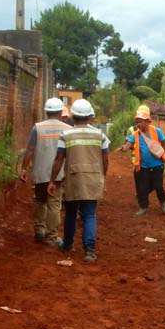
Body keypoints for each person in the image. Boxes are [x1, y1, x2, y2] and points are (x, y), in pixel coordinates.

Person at [49, 99, 110, 263]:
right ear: (90, 117)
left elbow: (59, 158)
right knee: (90, 214)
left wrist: (52, 180)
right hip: (93, 178)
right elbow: (105, 160)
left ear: (73, 116)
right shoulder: (100, 135)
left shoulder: (66, 135)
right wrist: (102, 177)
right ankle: (89, 251)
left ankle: (68, 244)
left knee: (70, 213)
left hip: (73, 178)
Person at [19, 97, 71, 246]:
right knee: (54, 203)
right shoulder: (67, 129)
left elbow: (30, 149)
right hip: (58, 174)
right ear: (61, 111)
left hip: (40, 172)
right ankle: (52, 235)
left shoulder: (38, 128)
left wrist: (23, 168)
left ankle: (39, 231)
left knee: (40, 200)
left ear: (46, 111)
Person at [118, 105, 165, 215]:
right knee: (141, 188)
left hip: (157, 165)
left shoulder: (157, 131)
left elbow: (164, 145)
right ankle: (143, 207)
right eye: (137, 122)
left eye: (140, 121)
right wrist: (124, 148)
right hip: (142, 166)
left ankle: (163, 202)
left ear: (147, 121)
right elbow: (129, 144)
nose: (138, 124)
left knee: (158, 186)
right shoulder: (135, 134)